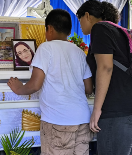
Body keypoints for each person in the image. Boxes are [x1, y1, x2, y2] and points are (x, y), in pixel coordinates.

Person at [8, 9, 93, 155]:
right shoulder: (79, 51)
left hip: (58, 121)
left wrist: (19, 88)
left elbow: (35, 84)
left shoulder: (46, 47)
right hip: (83, 121)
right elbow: (89, 88)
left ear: (50, 29)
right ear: (69, 30)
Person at [76, 1, 132, 154]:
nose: (80, 25)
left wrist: (97, 109)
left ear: (87, 16)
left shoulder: (100, 28)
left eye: (79, 19)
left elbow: (105, 67)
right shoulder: (119, 31)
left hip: (118, 111)